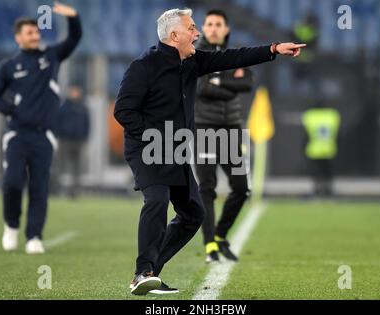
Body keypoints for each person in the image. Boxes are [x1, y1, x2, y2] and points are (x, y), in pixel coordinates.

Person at [114, 8, 305, 295]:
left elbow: (234, 57)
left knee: (193, 214)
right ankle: (144, 271)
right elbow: (123, 111)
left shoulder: (192, 62)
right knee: (157, 199)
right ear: (174, 35)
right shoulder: (143, 66)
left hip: (175, 150)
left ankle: (150, 271)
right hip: (148, 148)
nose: (198, 33)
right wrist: (153, 138)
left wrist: (274, 49)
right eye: (192, 28)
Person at [0, 2, 82, 254]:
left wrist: (73, 18)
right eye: (29, 32)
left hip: (44, 136)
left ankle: (34, 237)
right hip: (17, 134)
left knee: (40, 187)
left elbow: (74, 39)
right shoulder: (9, 66)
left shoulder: (50, 56)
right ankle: (11, 226)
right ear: (18, 37)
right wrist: (12, 109)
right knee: (12, 183)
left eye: (36, 31)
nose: (35, 35)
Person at [194, 10, 253, 263]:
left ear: (226, 29)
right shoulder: (196, 56)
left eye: (219, 24)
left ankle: (220, 235)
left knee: (241, 188)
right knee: (207, 188)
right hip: (205, 128)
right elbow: (202, 88)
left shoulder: (236, 55)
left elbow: (247, 84)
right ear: (204, 28)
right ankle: (209, 247)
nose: (214, 28)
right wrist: (228, 82)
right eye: (209, 24)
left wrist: (219, 82)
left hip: (231, 129)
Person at [54, 85, 90, 198]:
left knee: (77, 169)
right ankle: (57, 189)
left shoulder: (83, 107)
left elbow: (87, 124)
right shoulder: (64, 107)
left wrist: (84, 136)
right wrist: (60, 134)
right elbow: (57, 121)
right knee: (61, 166)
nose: (75, 93)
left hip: (78, 141)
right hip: (65, 140)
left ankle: (75, 192)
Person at [302, 104, 341, 197]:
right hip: (328, 149)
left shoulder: (310, 116)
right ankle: (325, 190)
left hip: (316, 149)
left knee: (319, 172)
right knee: (325, 172)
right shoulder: (332, 116)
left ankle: (320, 190)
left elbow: (306, 135)